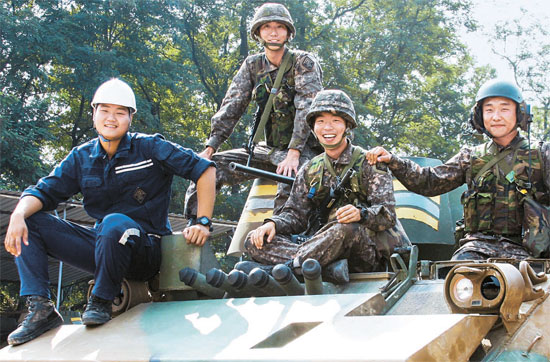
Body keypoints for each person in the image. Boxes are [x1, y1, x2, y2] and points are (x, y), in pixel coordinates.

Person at [3, 78, 216, 346]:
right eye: (104, 110)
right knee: (32, 221)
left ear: (130, 118)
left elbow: (205, 169)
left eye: (119, 112)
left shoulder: (149, 148)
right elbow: (43, 192)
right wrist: (18, 215)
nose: (111, 118)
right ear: (94, 114)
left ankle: (102, 299)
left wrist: (203, 222)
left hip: (147, 251)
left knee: (115, 223)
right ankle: (40, 308)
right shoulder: (81, 157)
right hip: (104, 247)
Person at [366, 79, 550, 260]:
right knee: (456, 278)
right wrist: (394, 161)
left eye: (504, 109)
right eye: (489, 110)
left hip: (530, 250)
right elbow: (430, 181)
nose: (496, 117)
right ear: (479, 116)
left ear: (520, 113)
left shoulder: (542, 154)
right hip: (478, 248)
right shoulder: (471, 157)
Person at [243, 90, 410, 283]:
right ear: (313, 127)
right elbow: (295, 215)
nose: (327, 128)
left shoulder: (370, 163)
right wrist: (273, 224)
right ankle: (326, 269)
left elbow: (387, 215)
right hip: (321, 245)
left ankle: (288, 269)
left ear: (347, 125)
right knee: (255, 240)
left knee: (346, 229)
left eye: (335, 121)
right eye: (320, 121)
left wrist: (361, 214)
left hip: (364, 250)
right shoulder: (310, 170)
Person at [184, 2, 323, 219]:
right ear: (258, 33)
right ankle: (196, 226)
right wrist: (210, 147)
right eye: (267, 27)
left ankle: (281, 239)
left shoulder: (303, 62)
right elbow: (232, 105)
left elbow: (308, 108)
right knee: (206, 168)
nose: (274, 32)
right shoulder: (252, 65)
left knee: (292, 177)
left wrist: (294, 153)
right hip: (268, 149)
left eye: (279, 26)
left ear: (288, 32)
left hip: (303, 149)